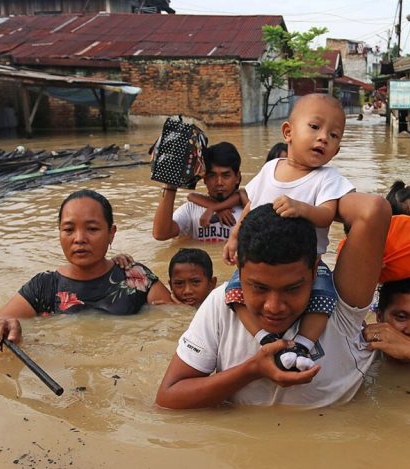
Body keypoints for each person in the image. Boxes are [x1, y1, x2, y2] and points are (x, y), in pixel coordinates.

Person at [155, 192, 391, 408]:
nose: (274, 307)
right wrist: (252, 369)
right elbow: (168, 398)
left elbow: (374, 210)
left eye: (292, 288)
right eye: (258, 287)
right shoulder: (220, 303)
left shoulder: (342, 304)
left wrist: (314, 206)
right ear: (238, 269)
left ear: (314, 271)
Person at [222, 93, 355, 371]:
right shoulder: (271, 168)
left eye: (334, 135)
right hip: (262, 261)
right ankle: (264, 337)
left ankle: (303, 345)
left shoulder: (328, 178)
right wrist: (235, 235)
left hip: (308, 264)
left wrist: (301, 208)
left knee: (323, 297)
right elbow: (250, 208)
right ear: (288, 132)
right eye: (315, 127)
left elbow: (327, 215)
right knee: (234, 294)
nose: (323, 138)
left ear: (337, 149)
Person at [0, 189, 172, 345]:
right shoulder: (44, 286)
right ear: (59, 233)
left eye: (92, 229)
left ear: (111, 233)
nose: (79, 239)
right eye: (69, 230)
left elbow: (178, 320)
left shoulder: (136, 277)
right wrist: (4, 328)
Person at [152, 142, 243, 242]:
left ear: (237, 177)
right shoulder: (191, 209)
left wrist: (213, 208)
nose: (219, 182)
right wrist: (170, 184)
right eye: (212, 176)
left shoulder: (248, 207)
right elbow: (160, 234)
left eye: (226, 175)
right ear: (204, 178)